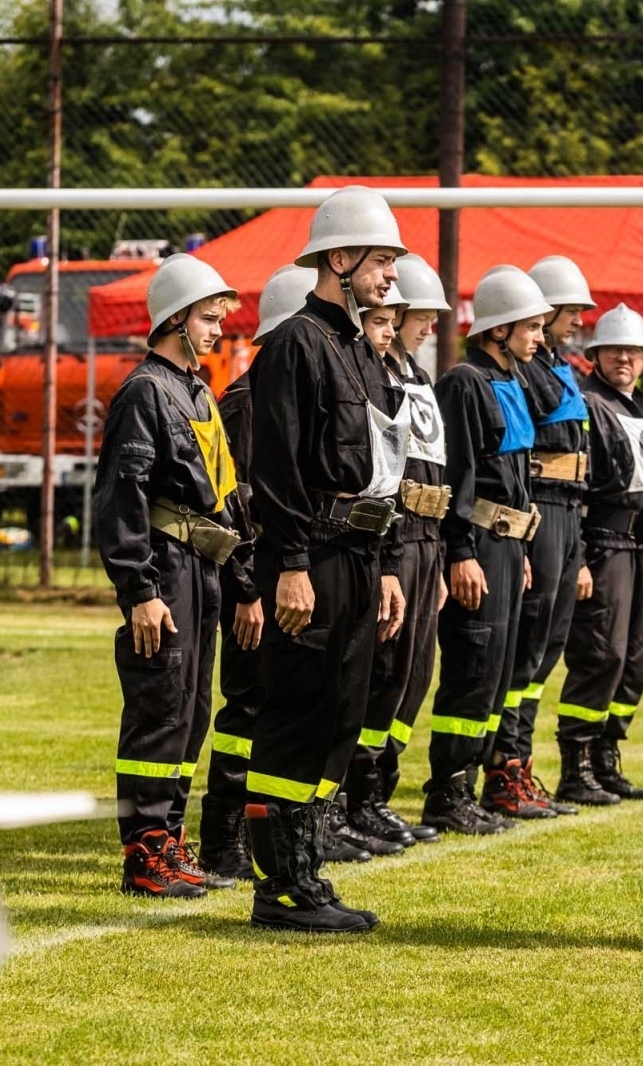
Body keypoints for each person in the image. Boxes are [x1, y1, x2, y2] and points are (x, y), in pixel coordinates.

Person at [245, 186, 410, 933]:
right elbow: (277, 469)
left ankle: (308, 876)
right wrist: (288, 565)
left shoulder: (358, 350)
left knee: (341, 713)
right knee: (298, 711)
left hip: (354, 557)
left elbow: (375, 467)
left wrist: (381, 567)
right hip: (308, 555)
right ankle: (277, 888)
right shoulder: (294, 345)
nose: (390, 279)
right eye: (381, 262)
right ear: (339, 259)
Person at [94, 253, 247, 899]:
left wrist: (242, 581)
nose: (218, 329)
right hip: (165, 567)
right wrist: (140, 592)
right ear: (176, 318)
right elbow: (121, 495)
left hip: (203, 567)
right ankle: (144, 851)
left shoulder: (198, 389)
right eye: (209, 318)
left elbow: (225, 494)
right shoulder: (145, 392)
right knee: (158, 708)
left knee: (189, 711)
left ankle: (172, 838)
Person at [196, 264, 313, 882]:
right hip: (257, 576)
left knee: (281, 706)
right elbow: (232, 509)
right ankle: (223, 835)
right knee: (245, 708)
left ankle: (269, 830)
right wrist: (245, 589)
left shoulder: (284, 400)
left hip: (286, 570)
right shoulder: (245, 403)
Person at [421, 265, 547, 835]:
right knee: (472, 669)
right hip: (478, 547)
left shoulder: (512, 380)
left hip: (507, 548)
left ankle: (469, 787)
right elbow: (461, 477)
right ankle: (445, 795)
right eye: (532, 326)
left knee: (496, 675)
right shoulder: (464, 382)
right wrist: (461, 553)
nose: (540, 337)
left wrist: (519, 549)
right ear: (499, 330)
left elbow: (512, 478)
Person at [345, 255, 451, 852]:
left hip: (427, 539)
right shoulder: (370, 374)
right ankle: (355, 797)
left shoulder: (419, 376)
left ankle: (378, 793)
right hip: (397, 533)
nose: (428, 326)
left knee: (413, 675)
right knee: (382, 668)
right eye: (419, 315)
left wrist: (442, 552)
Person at [490, 255, 598, 820]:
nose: (578, 318)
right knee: (527, 645)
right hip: (542, 509)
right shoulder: (520, 370)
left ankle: (520, 761)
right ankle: (504, 765)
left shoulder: (558, 366)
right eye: (570, 309)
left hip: (568, 512)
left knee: (548, 648)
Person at [557, 305, 643, 806]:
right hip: (605, 545)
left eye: (634, 351)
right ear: (595, 355)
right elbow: (577, 490)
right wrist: (577, 556)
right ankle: (575, 766)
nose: (624, 357)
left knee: (636, 659)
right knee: (602, 654)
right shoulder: (589, 405)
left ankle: (606, 756)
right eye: (614, 349)